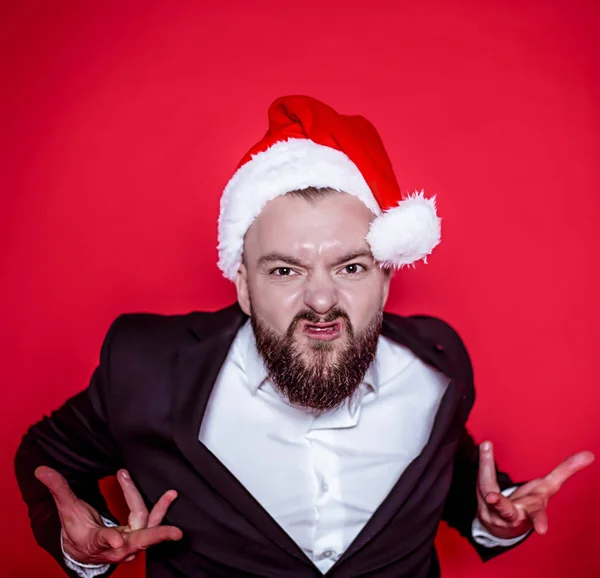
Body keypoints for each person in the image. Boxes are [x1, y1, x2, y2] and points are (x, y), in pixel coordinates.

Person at [15, 95, 593, 578]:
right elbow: (48, 454)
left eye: (350, 267)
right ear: (243, 284)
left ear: (385, 279)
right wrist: (84, 545)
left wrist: (488, 518)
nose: (321, 300)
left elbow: (447, 468)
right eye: (285, 270)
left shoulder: (438, 367)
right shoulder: (147, 368)